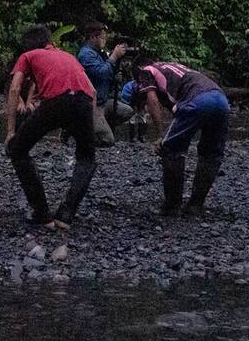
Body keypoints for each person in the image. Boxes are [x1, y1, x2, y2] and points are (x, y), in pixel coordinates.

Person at [4, 25, 97, 229]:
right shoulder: (69, 57)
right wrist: (84, 126)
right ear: (50, 42)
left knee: (17, 150)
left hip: (55, 102)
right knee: (87, 157)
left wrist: (11, 132)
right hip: (82, 101)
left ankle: (42, 213)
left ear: (28, 46)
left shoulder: (28, 55)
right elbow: (92, 91)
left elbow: (14, 89)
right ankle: (66, 214)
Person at [135, 57, 230, 217]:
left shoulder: (146, 71)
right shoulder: (173, 67)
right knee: (211, 154)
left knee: (170, 149)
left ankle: (172, 207)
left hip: (197, 99)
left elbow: (152, 101)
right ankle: (196, 205)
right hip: (221, 100)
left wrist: (161, 135)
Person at [77, 23, 133, 146]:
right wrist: (114, 56)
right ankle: (80, 128)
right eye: (102, 37)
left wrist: (116, 75)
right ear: (93, 37)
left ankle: (99, 125)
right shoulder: (86, 54)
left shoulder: (100, 53)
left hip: (102, 102)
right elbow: (101, 73)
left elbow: (107, 77)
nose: (105, 40)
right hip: (91, 104)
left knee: (127, 111)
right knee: (107, 140)